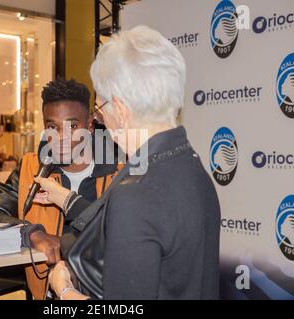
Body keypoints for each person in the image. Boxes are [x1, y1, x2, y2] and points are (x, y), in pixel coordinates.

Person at [46, 25, 221, 300]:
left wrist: (64, 290)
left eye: (100, 110)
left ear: (122, 111)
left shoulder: (137, 193)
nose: (101, 119)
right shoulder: (191, 167)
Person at [0, 78, 122, 300]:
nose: (61, 137)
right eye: (52, 127)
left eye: (72, 126)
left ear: (89, 125)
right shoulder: (32, 168)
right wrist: (32, 233)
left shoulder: (118, 171)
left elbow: (121, 234)